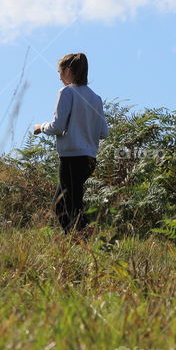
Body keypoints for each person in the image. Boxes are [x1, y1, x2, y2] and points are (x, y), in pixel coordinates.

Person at [33, 52, 108, 234]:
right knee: (61, 205)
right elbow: (104, 133)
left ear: (68, 70)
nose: (59, 77)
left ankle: (82, 239)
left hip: (71, 159)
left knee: (71, 206)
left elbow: (58, 126)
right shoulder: (96, 98)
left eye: (60, 72)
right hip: (89, 159)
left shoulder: (66, 92)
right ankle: (76, 239)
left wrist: (40, 127)